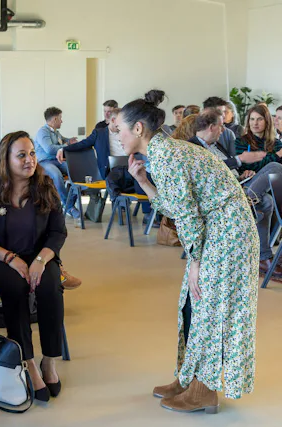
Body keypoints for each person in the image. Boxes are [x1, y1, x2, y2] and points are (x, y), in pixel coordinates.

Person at [119, 91, 258, 413]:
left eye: (120, 129)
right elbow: (176, 207)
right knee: (194, 304)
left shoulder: (167, 155)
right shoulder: (163, 152)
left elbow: (188, 216)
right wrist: (143, 181)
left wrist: (195, 262)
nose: (118, 136)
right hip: (219, 230)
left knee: (211, 308)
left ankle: (203, 390)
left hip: (229, 233)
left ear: (138, 129)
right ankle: (188, 377)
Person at [0, 130, 67, 402]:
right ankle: (28, 362)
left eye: (32, 153)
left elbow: (57, 232)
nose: (30, 160)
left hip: (39, 256)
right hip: (0, 258)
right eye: (22, 155)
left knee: (50, 285)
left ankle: (49, 360)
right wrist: (10, 259)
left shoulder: (45, 186)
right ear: (6, 159)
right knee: (15, 287)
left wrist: (40, 260)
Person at [188, 109, 279, 278]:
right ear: (211, 127)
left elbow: (229, 168)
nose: (223, 130)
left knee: (267, 196)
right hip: (221, 195)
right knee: (271, 181)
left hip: (237, 184)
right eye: (221, 126)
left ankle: (262, 257)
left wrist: (242, 174)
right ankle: (263, 257)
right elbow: (207, 171)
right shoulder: (192, 147)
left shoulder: (216, 144)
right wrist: (239, 160)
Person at [34, 107, 78, 217]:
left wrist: (70, 141)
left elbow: (64, 140)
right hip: (44, 162)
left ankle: (69, 202)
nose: (61, 121)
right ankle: (69, 207)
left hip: (57, 160)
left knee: (76, 171)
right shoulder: (43, 132)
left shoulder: (56, 132)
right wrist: (66, 146)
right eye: (60, 118)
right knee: (57, 175)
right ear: (55, 119)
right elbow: (49, 149)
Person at [57, 108, 122, 179]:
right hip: (110, 171)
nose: (124, 124)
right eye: (121, 121)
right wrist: (62, 149)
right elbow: (82, 144)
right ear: (113, 120)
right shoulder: (99, 133)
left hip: (127, 167)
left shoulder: (126, 132)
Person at [235, 104, 282, 173]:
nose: (255, 123)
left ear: (267, 121)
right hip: (250, 179)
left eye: (260, 119)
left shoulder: (277, 143)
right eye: (252, 119)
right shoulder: (240, 142)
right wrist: (277, 155)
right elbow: (251, 166)